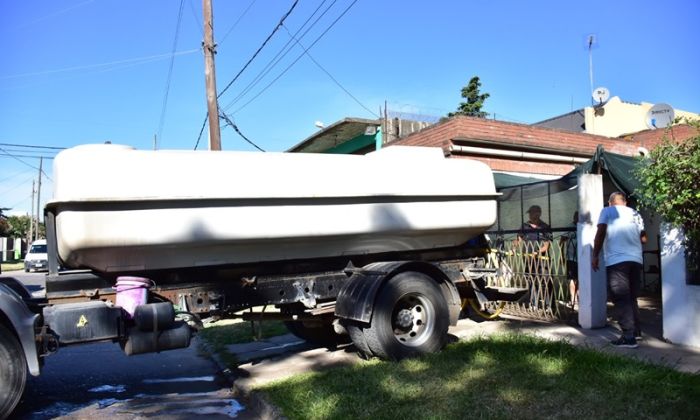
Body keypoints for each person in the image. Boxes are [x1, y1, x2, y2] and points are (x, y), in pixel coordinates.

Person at [592, 192, 647, 348]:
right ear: (625, 202)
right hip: (636, 259)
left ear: (610, 203)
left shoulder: (607, 211)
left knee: (621, 297)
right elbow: (644, 239)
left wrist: (595, 255)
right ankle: (636, 332)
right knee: (631, 297)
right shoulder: (636, 213)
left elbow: (601, 232)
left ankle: (628, 337)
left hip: (617, 260)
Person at [518, 205, 553, 308]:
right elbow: (519, 239)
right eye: (530, 213)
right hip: (529, 260)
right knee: (531, 280)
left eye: (533, 212)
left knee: (545, 281)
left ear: (538, 213)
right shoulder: (525, 226)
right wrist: (514, 247)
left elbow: (547, 245)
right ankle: (534, 303)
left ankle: (548, 304)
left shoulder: (545, 227)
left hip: (543, 261)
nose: (531, 215)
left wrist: (537, 252)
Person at [560, 211, 579, 308]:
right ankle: (573, 299)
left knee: (580, 279)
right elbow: (561, 242)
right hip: (571, 257)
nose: (577, 218)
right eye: (576, 216)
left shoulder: (584, 226)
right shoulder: (569, 226)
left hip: (582, 258)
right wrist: (561, 256)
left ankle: (580, 298)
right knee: (572, 278)